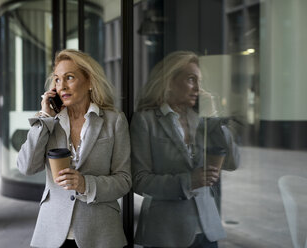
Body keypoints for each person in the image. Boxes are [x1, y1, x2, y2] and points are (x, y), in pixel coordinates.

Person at [17, 49, 132, 248]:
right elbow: (26, 167)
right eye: (57, 79)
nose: (62, 86)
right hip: (51, 234)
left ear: (89, 82)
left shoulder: (114, 121)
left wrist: (85, 184)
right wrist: (44, 118)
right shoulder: (48, 122)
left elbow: (124, 180)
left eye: (69, 77)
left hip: (101, 235)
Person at [131, 51, 237, 247]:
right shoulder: (145, 121)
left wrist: (212, 117)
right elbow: (139, 180)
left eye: (199, 81)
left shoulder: (201, 119)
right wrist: (188, 181)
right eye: (191, 79)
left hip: (207, 230)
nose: (198, 88)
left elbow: (232, 161)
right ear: (169, 82)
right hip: (166, 232)